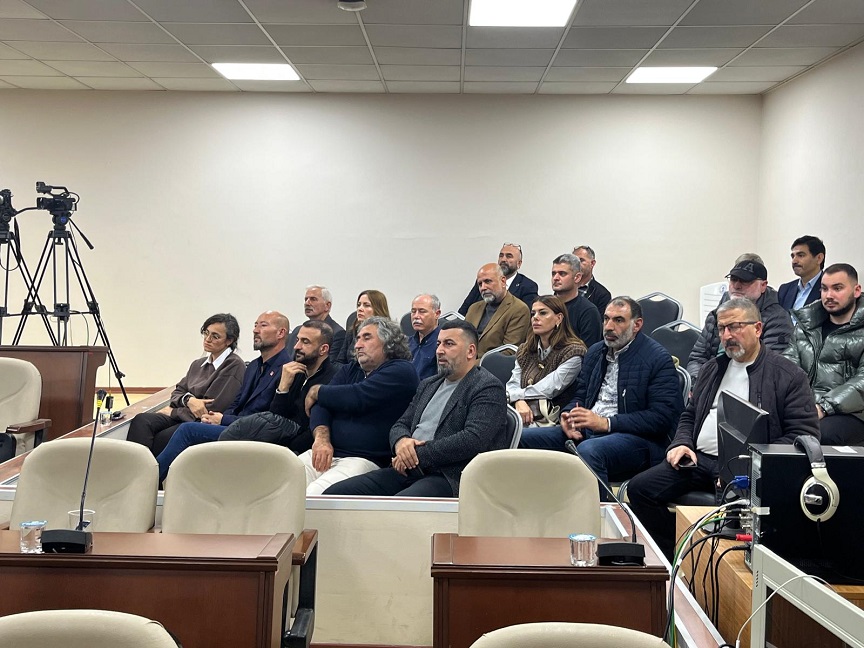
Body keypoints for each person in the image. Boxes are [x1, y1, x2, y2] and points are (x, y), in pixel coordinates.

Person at [628, 298, 819, 560]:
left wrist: (749, 464)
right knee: (640, 489)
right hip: (697, 460)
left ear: (758, 329)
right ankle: (674, 557)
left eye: (735, 327)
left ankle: (717, 568)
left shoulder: (787, 375)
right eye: (721, 328)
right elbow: (690, 414)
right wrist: (681, 443)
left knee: (731, 517)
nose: (727, 335)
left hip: (747, 468)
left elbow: (802, 435)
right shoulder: (712, 369)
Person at [324, 320, 508, 497]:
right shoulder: (429, 384)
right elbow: (401, 424)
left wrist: (414, 455)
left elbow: (472, 440)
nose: (439, 350)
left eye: (449, 344)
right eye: (438, 344)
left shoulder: (487, 387)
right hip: (408, 469)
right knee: (334, 494)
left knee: (398, 509)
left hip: (449, 475)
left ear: (470, 351)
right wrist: (401, 442)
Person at [520, 297, 683, 494]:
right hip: (589, 431)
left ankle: (599, 511)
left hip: (638, 440)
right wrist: (569, 415)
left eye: (618, 320)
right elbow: (581, 395)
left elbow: (661, 418)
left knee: (589, 450)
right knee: (518, 437)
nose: (609, 327)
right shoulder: (596, 352)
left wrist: (607, 423)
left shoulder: (657, 359)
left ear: (637, 325)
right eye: (606, 319)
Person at [155, 310, 291, 482]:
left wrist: (224, 420)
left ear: (281, 333)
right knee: (146, 421)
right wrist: (217, 418)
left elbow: (271, 418)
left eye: (263, 325)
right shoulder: (254, 366)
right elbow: (236, 403)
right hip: (235, 426)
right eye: (255, 325)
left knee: (187, 430)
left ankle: (149, 481)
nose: (255, 330)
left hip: (256, 434)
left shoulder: (287, 369)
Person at [302, 316, 419, 494]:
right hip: (325, 452)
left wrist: (317, 390)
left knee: (313, 496)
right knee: (275, 482)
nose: (357, 345)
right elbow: (320, 406)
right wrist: (321, 439)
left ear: (388, 342)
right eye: (357, 339)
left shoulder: (401, 370)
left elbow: (358, 397)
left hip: (363, 460)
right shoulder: (351, 369)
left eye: (366, 338)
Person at [126, 313, 247, 456]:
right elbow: (177, 393)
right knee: (142, 420)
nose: (207, 339)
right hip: (185, 415)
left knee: (163, 437)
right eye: (206, 333)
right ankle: (136, 467)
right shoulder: (197, 364)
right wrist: (189, 400)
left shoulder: (233, 365)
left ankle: (151, 469)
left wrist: (173, 411)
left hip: (200, 422)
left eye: (215, 336)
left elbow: (209, 408)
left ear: (229, 341)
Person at [219, 320, 340, 454]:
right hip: (276, 442)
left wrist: (283, 448)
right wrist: (283, 388)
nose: (296, 347)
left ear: (323, 349)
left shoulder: (334, 379)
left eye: (305, 342)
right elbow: (275, 417)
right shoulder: (293, 372)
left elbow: (316, 426)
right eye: (297, 340)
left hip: (298, 449)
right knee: (228, 440)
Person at [783, 263, 864, 445]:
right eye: (824, 289)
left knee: (818, 436)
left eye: (837, 288)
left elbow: (861, 382)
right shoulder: (807, 325)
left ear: (856, 291)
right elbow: (787, 366)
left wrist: (823, 407)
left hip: (852, 411)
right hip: (807, 406)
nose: (829, 295)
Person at [687, 257, 792, 381]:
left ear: (763, 286)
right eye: (733, 280)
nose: (737, 286)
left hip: (749, 385)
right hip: (711, 381)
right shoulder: (717, 314)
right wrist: (698, 382)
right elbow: (697, 357)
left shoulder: (777, 319)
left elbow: (768, 368)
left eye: (745, 281)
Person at [506, 295, 587, 427]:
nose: (535, 318)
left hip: (554, 419)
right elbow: (513, 383)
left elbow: (548, 389)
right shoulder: (525, 350)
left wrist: (515, 397)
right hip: (520, 413)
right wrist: (518, 401)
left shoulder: (573, 352)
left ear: (559, 318)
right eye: (533, 314)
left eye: (543, 313)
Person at [464, 263, 531, 357]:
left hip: (489, 364)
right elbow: (462, 340)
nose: (483, 288)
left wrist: (471, 363)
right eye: (480, 284)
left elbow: (508, 353)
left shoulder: (519, 309)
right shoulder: (473, 308)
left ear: (503, 281)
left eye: (488, 281)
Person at [458, 242, 539, 315]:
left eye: (509, 256)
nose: (503, 259)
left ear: (519, 263)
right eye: (501, 256)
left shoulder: (527, 286)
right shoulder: (483, 281)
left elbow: (526, 316)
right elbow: (463, 312)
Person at [550, 253, 602, 347]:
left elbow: (589, 351)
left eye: (562, 274)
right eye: (553, 273)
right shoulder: (545, 307)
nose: (556, 278)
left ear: (577, 277)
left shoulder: (588, 312)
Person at [286, 285, 346, 361]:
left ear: (327, 306)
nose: (307, 303)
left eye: (313, 299)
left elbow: (331, 364)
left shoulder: (337, 333)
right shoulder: (297, 331)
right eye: (306, 299)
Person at [336, 289, 390, 364]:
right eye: (359, 305)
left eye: (366, 305)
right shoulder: (353, 331)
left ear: (378, 309)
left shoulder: (388, 334)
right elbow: (339, 362)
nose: (360, 309)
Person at [778, 235, 826, 312]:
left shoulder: (828, 289)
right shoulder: (785, 290)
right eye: (793, 256)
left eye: (801, 255)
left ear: (819, 258)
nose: (794, 261)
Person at [408, 293, 441, 381]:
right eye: (413, 311)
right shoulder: (406, 343)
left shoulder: (442, 344)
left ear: (437, 314)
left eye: (422, 311)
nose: (416, 316)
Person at [573, 245, 612, 315]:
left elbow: (600, 321)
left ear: (592, 263)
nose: (576, 264)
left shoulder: (602, 294)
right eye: (574, 261)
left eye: (581, 260)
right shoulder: (564, 288)